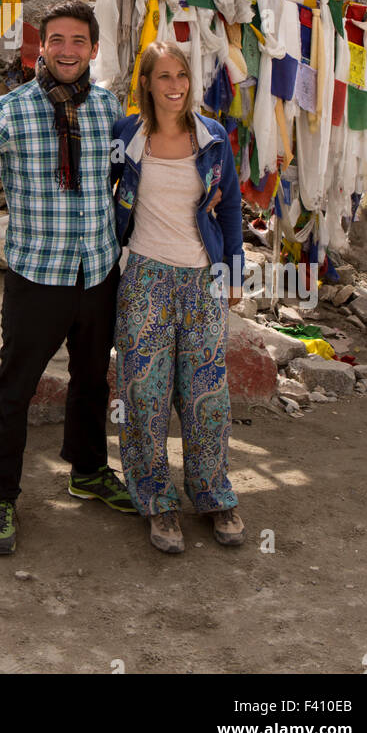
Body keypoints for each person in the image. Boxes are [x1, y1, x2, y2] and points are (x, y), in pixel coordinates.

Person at [0, 1, 136, 555]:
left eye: (78, 41)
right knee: (14, 388)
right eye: (57, 40)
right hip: (37, 276)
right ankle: (1, 495)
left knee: (93, 379)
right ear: (40, 48)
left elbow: (121, 179)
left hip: (97, 270)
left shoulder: (106, 107)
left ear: (94, 49)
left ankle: (89, 472)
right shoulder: (12, 109)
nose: (67, 50)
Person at [110, 40, 245, 555]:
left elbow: (230, 206)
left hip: (202, 279)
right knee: (143, 392)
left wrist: (233, 273)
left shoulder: (212, 139)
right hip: (143, 276)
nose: (174, 86)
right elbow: (104, 190)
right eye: (163, 76)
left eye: (181, 75)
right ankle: (156, 502)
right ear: (146, 84)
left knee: (207, 390)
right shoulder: (128, 136)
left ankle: (213, 495)